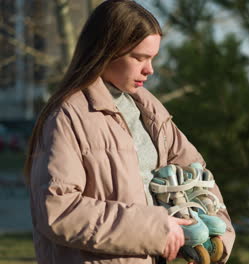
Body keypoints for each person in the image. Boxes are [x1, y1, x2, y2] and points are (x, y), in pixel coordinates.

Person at [24, 1, 235, 263]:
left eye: (152, 58)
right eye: (139, 57)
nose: (150, 69)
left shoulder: (149, 109)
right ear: (106, 50)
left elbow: (199, 175)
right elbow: (58, 211)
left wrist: (219, 238)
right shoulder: (67, 117)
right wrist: (157, 229)